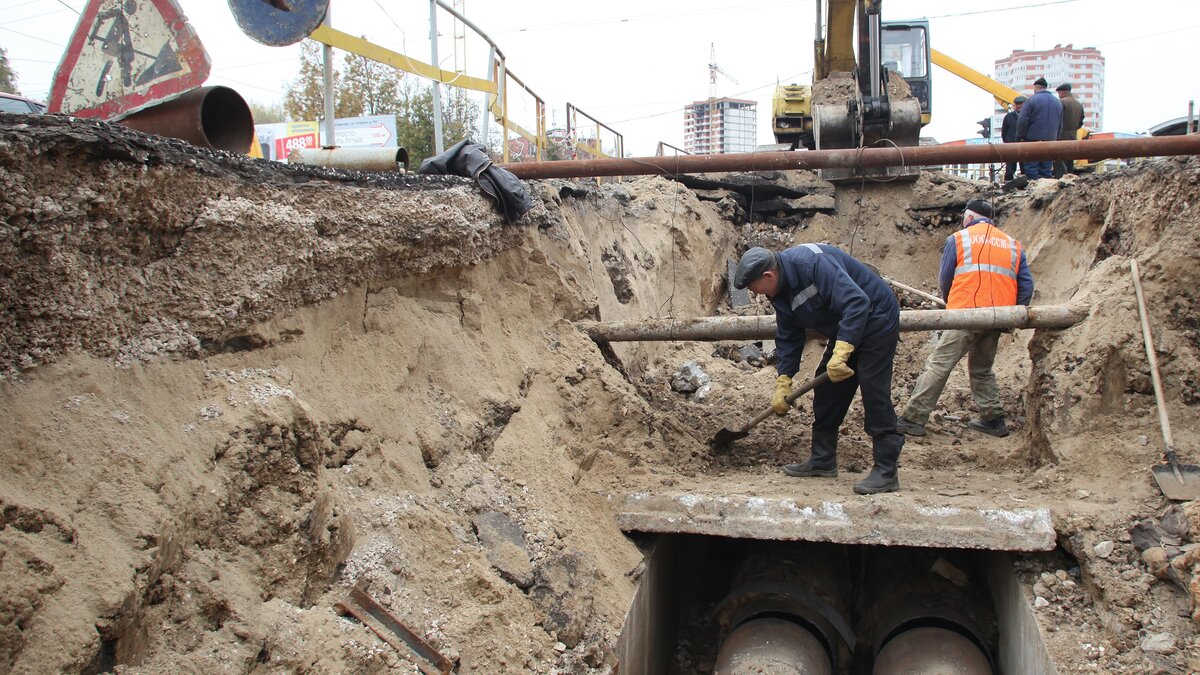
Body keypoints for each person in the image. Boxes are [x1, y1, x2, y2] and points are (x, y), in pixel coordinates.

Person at [732, 244, 905, 495]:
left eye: (753, 288)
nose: (754, 294)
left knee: (873, 391)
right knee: (827, 391)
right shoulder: (778, 292)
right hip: (844, 324)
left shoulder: (812, 264)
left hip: (875, 318)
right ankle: (823, 459)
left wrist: (843, 352)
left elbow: (857, 301)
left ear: (768, 276)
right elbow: (789, 335)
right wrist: (784, 379)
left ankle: (886, 470)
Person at [896, 200, 1035, 439]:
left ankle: (913, 418)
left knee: (939, 365)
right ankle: (994, 420)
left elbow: (946, 278)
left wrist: (952, 305)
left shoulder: (959, 239)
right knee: (982, 368)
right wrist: (1012, 312)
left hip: (965, 313)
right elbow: (1027, 285)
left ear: (969, 217)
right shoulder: (1013, 245)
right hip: (998, 315)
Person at [1015, 77, 1062, 180]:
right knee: (1046, 169)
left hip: (1032, 139)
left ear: (1036, 87)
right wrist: (1056, 138)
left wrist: (1021, 136)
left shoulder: (1031, 100)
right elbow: (1060, 123)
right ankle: (1045, 190)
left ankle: (1033, 189)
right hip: (1050, 140)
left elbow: (1022, 120)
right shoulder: (1057, 102)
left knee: (1031, 167)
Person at [1054, 83, 1085, 178]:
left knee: (1059, 159)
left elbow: (1056, 119)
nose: (1058, 95)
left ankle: (1061, 180)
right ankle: (1070, 178)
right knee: (1069, 160)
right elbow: (1081, 122)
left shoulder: (1061, 102)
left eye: (1059, 93)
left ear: (1063, 92)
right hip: (1072, 136)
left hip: (1061, 136)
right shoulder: (1078, 104)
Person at [1001, 96, 1026, 182]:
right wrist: (1008, 142)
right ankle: (1008, 185)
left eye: (1021, 104)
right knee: (1010, 170)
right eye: (1017, 104)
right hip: (1011, 147)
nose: (1018, 106)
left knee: (1025, 169)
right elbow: (1004, 132)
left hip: (1025, 147)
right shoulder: (1009, 117)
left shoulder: (1028, 116)